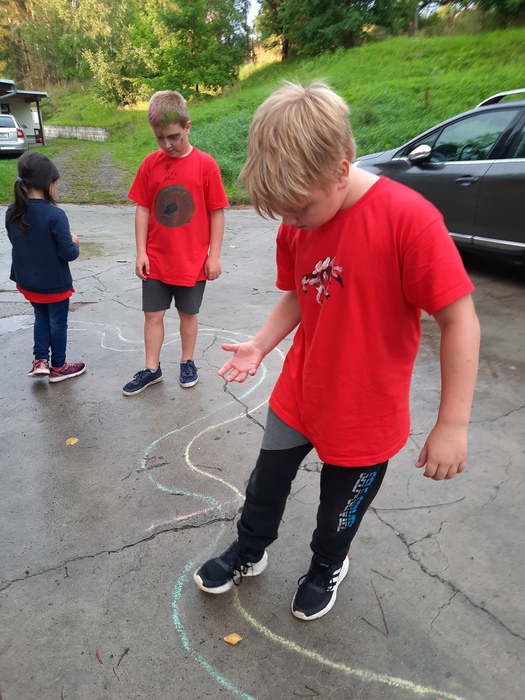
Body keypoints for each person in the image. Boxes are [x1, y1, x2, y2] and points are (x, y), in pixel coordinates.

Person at [193, 81, 480, 621]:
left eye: (298, 209)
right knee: (264, 487)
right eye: (282, 212)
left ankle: (328, 564)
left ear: (342, 170)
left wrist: (453, 423)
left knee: (337, 513)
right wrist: (259, 346)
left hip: (365, 412)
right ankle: (250, 550)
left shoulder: (409, 220)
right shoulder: (298, 222)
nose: (290, 222)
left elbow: (459, 320)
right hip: (301, 393)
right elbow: (299, 294)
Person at [123, 90, 229, 396]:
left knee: (188, 315)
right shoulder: (150, 164)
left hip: (192, 261)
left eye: (173, 137)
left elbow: (217, 212)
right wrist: (141, 252)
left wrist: (214, 255)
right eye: (160, 138)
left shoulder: (206, 165)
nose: (167, 144)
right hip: (156, 259)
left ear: (187, 126)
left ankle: (187, 362)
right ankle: (151, 368)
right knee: (152, 315)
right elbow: (143, 208)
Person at [6, 151, 86, 383]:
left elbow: (17, 242)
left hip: (28, 283)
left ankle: (40, 361)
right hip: (54, 285)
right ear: (48, 183)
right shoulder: (55, 215)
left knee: (41, 316)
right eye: (56, 183)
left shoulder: (12, 211)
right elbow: (68, 253)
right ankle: (59, 366)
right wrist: (74, 243)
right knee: (58, 322)